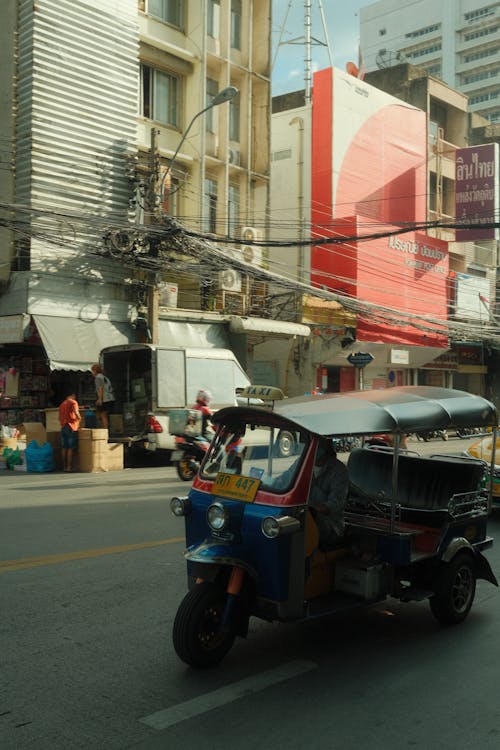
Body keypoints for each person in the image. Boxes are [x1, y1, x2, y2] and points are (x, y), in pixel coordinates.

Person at [309, 438, 349, 548]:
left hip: (330, 525)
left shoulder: (339, 470)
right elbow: (284, 479)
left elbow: (334, 503)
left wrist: (311, 509)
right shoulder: (304, 463)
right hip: (306, 517)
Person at [58, 389, 81, 472]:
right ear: (73, 395)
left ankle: (64, 467)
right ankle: (69, 467)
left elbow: (59, 418)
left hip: (63, 427)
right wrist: (80, 419)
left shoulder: (61, 404)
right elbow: (76, 412)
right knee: (70, 448)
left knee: (64, 447)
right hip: (71, 426)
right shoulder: (73, 402)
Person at [90, 363, 115, 430]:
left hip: (105, 399)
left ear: (95, 371)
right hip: (110, 398)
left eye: (92, 371)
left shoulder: (98, 378)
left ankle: (105, 430)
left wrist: (100, 399)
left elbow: (100, 388)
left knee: (102, 415)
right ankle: (105, 428)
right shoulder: (105, 377)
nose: (92, 373)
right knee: (104, 415)